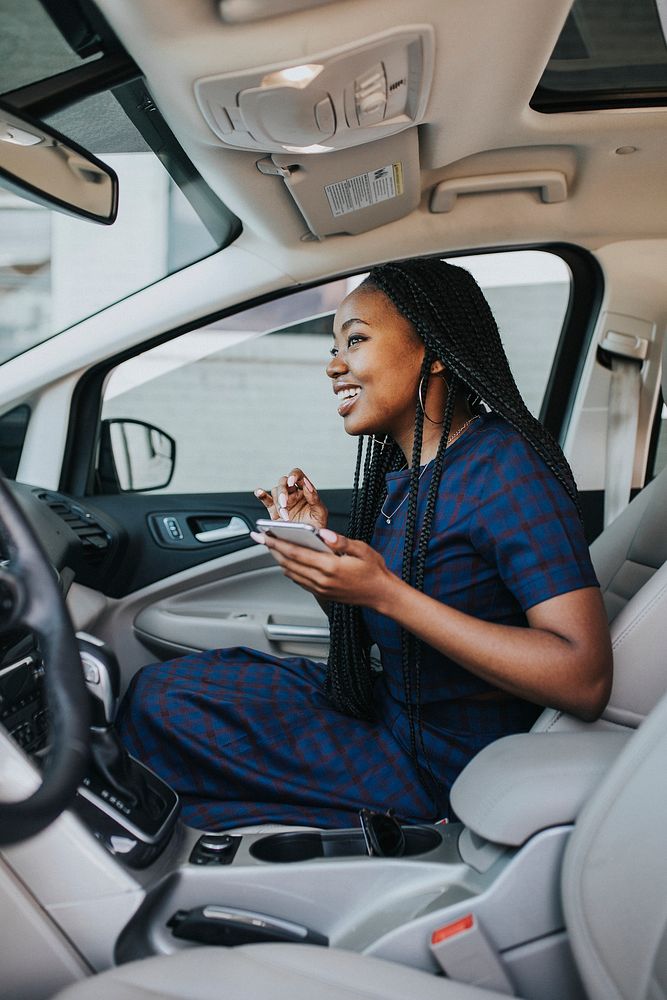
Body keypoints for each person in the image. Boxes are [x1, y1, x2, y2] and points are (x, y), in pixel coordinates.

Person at [116, 258, 612, 830]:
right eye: (334, 346)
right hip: (384, 709)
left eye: (355, 340)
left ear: (435, 351)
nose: (333, 365)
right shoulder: (408, 474)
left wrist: (383, 593)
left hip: (440, 760)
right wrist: (324, 561)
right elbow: (392, 619)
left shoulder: (506, 469)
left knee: (167, 719)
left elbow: (585, 678)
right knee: (165, 691)